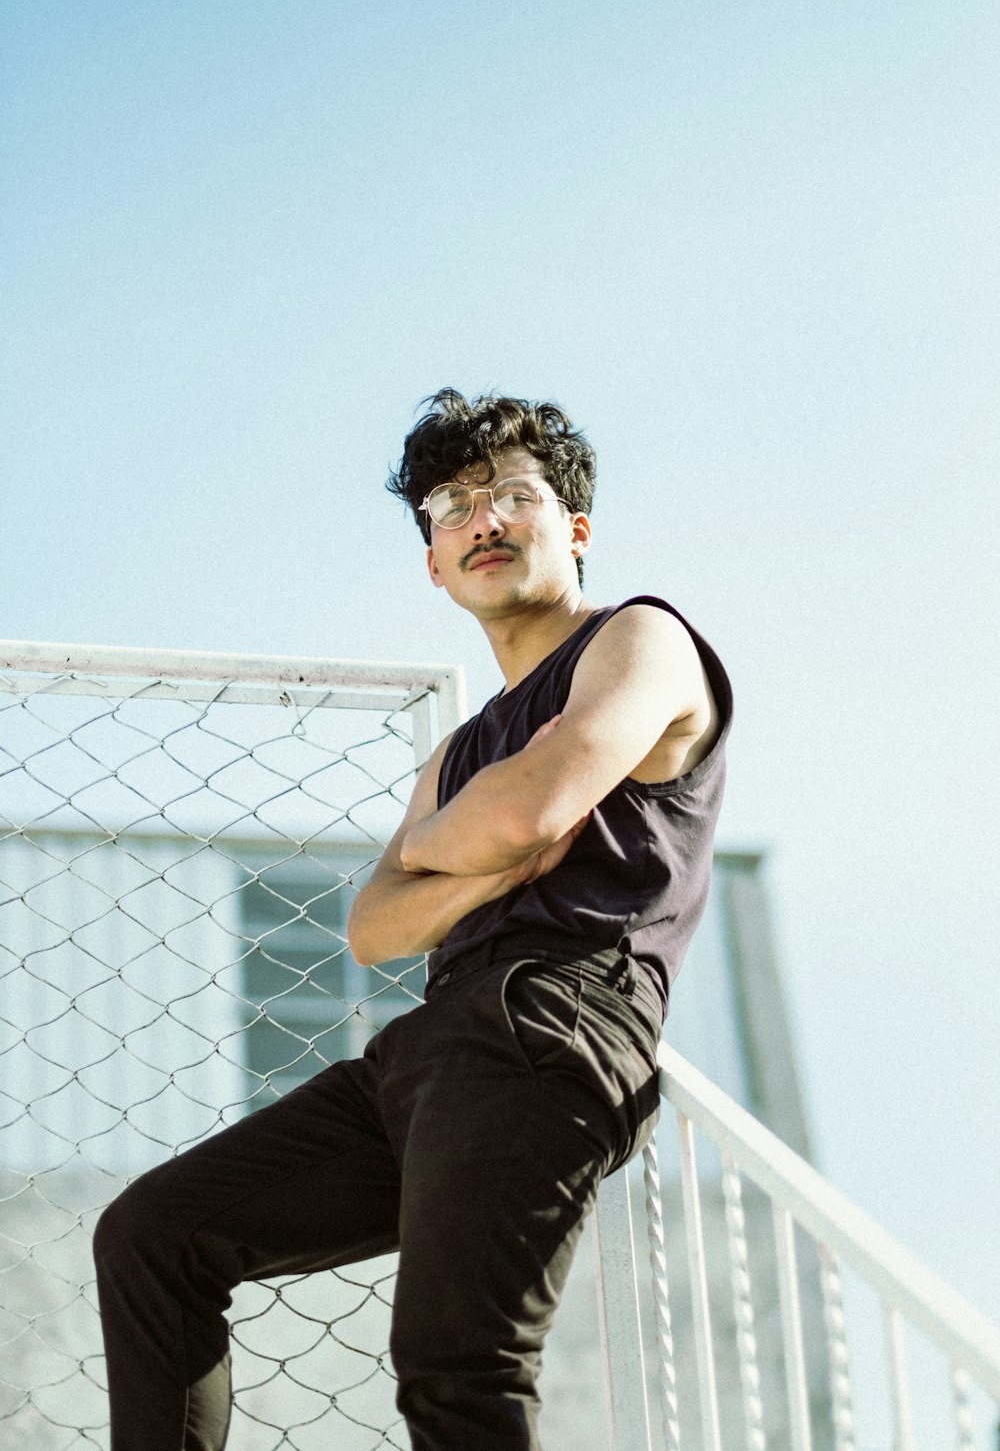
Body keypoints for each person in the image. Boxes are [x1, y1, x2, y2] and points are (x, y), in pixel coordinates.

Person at [93, 388, 733, 1450]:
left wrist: (486, 837)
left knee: (455, 1370)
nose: (482, 520)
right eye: (451, 506)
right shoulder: (459, 749)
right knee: (154, 1232)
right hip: (424, 1051)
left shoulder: (641, 640)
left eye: (511, 496)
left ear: (572, 528)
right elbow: (376, 927)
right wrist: (490, 855)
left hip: (555, 1018)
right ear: (433, 562)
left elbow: (530, 810)